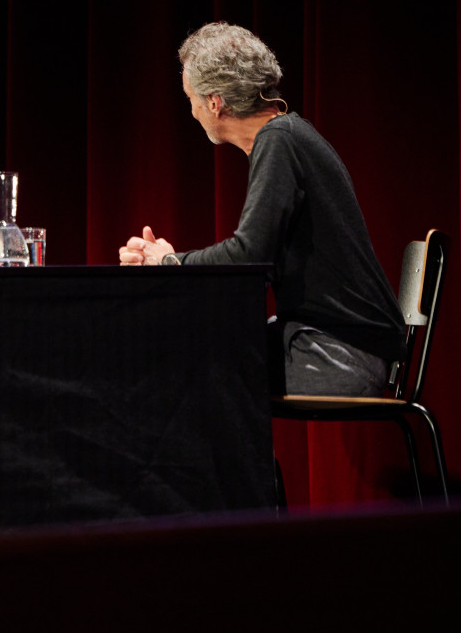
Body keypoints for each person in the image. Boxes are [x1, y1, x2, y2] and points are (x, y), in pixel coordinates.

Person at [117, 22, 404, 396]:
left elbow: (251, 256)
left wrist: (172, 264)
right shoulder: (288, 136)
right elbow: (256, 260)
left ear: (215, 102)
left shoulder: (280, 141)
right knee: (190, 349)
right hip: (338, 344)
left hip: (341, 354)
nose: (192, 111)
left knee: (184, 365)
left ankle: (242, 460)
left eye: (191, 99)